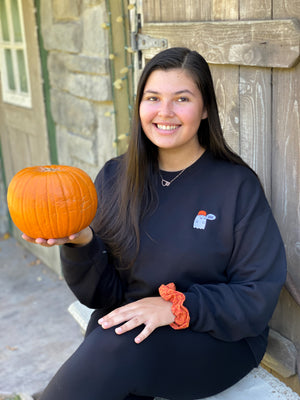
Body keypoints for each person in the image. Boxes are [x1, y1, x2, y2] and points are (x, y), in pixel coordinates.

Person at [23, 47, 286, 400]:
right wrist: (81, 240)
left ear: (205, 108)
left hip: (219, 340)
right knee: (111, 340)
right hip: (131, 335)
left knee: (117, 347)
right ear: (139, 106)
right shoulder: (117, 176)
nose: (165, 112)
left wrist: (174, 307)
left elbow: (257, 295)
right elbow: (102, 295)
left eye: (181, 99)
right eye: (153, 98)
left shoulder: (236, 186)